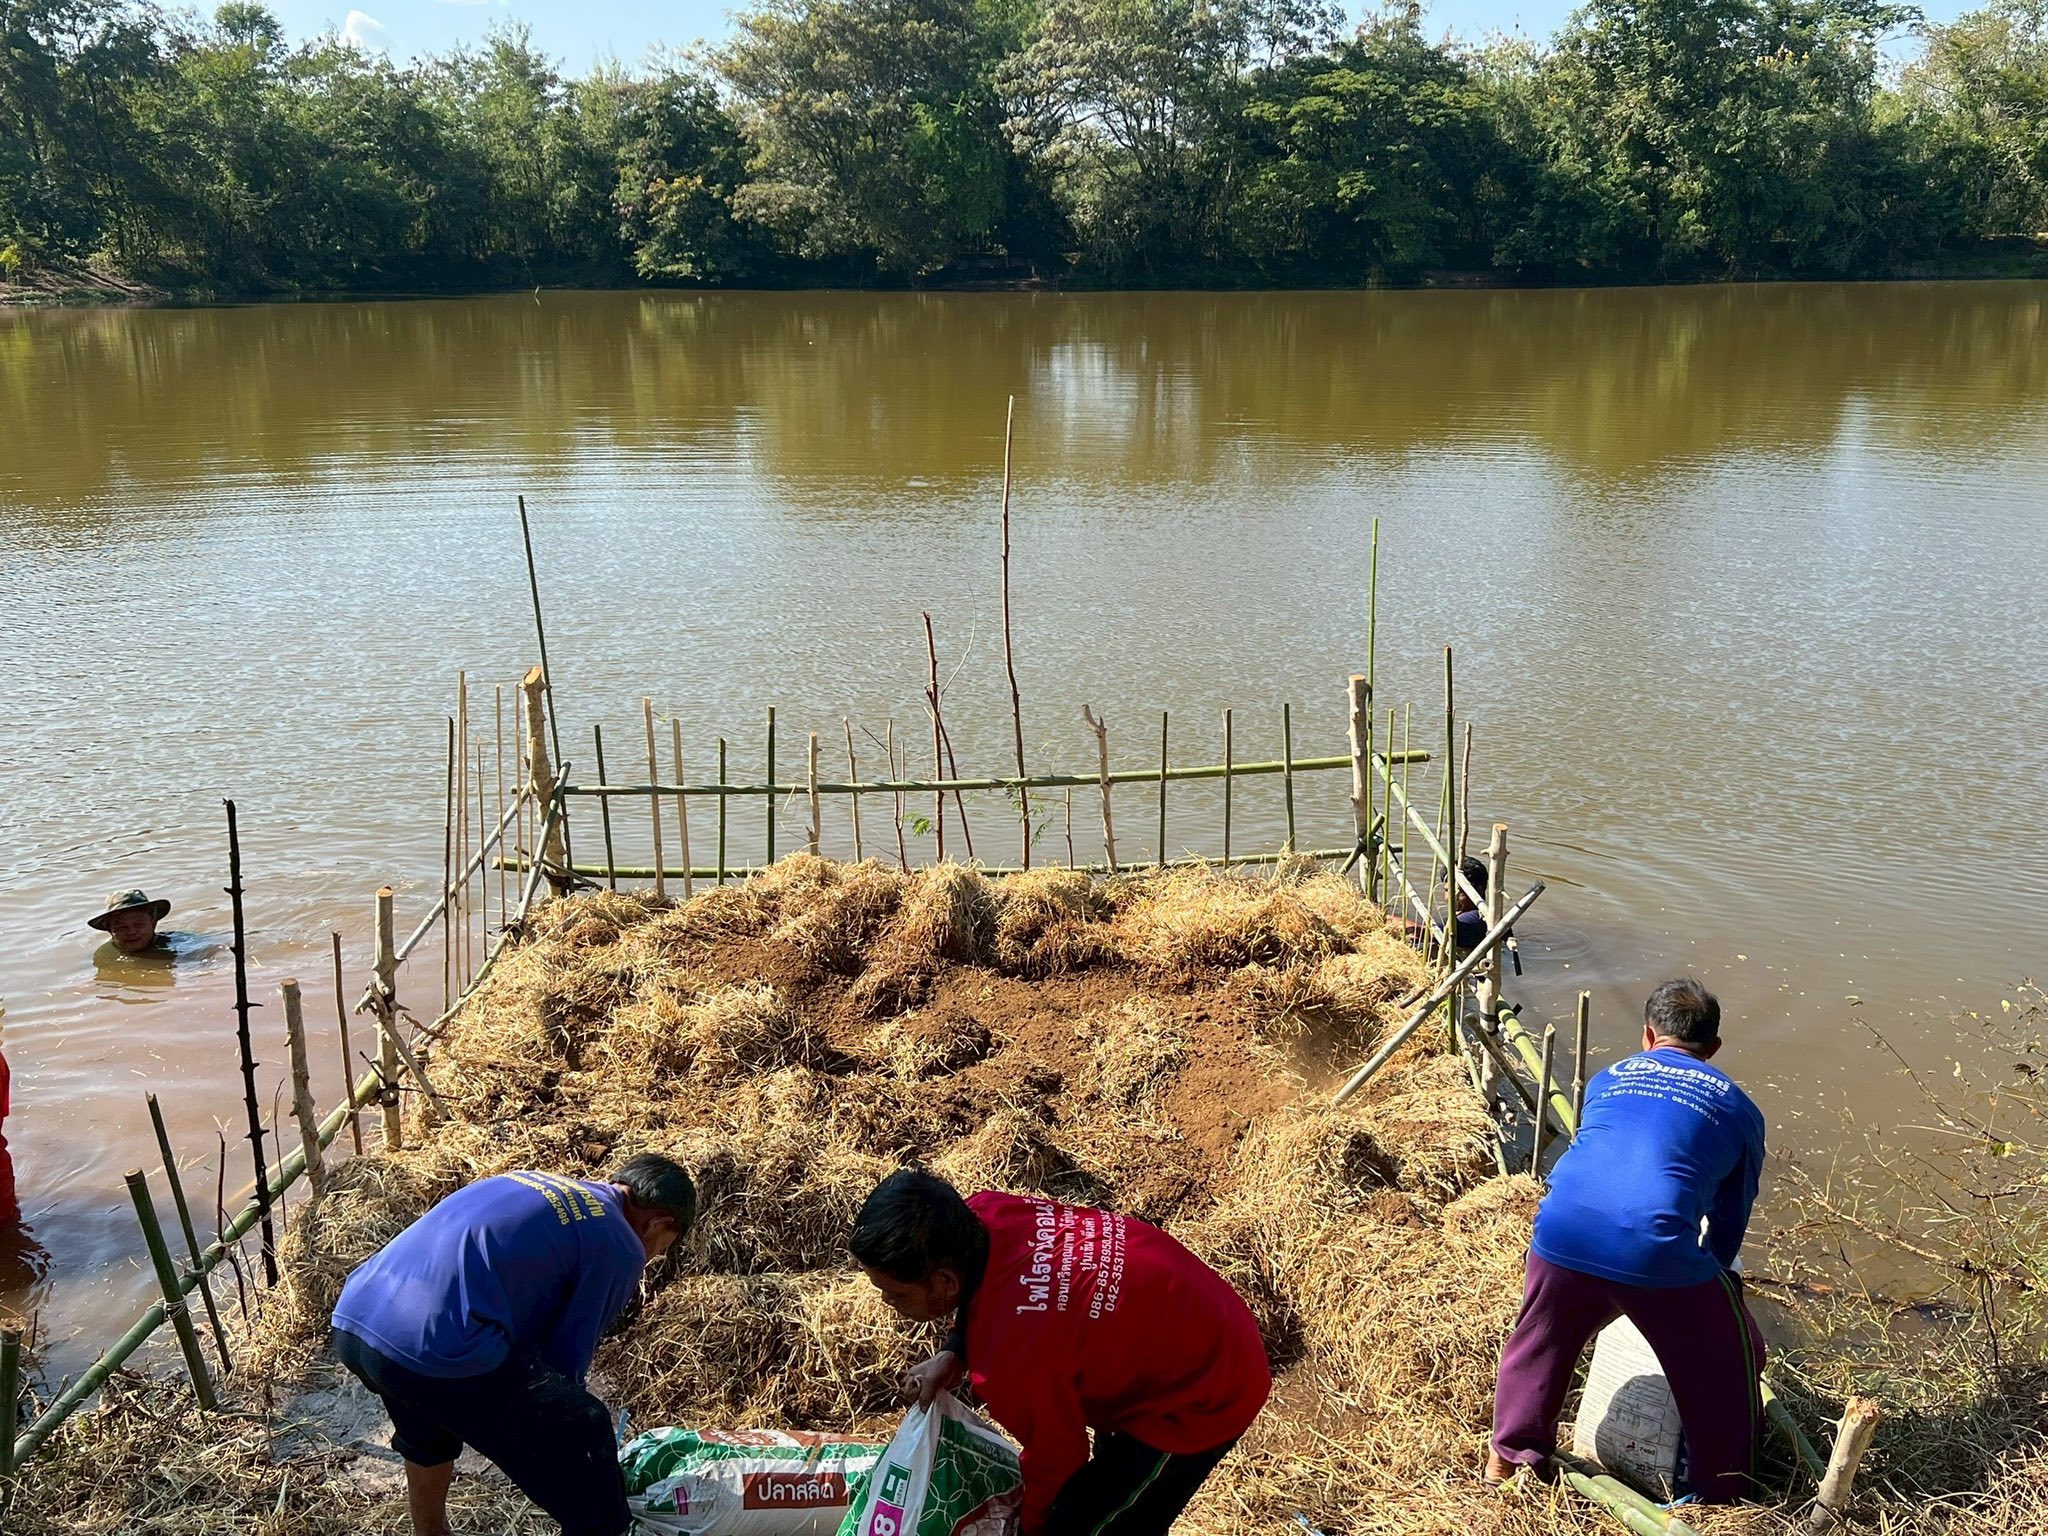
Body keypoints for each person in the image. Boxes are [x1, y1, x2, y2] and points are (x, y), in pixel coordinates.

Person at [851, 1170, 1270, 1536]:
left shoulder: (1010, 1360)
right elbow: (993, 1291)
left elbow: (1060, 1458)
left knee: (1101, 1521)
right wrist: (955, 1351)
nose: (887, 1301)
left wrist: (1033, 1528)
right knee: (1114, 1502)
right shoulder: (984, 1214)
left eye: (895, 1292)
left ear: (944, 1283)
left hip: (1209, 1385)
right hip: (1177, 1322)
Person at [1488, 978, 1768, 1503]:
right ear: (1714, 1049)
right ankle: (1724, 1491)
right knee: (1727, 1360)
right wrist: (1711, 1283)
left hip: (1559, 1228)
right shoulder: (1740, 1109)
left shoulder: (1606, 1078)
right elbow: (1730, 1216)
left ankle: (1508, 1457)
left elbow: (1601, 1159)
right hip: (1654, 1245)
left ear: (1647, 1035)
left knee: (1541, 1339)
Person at [331, 1155, 696, 1536]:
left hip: (359, 1321)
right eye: (662, 1247)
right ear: (658, 1223)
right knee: (584, 1428)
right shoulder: (620, 1242)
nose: (653, 1256)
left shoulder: (534, 1181)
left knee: (429, 1428)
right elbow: (565, 1361)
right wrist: (566, 1435)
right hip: (435, 1349)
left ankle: (431, 1532)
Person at [87, 889, 172, 955]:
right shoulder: (104, 955)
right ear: (110, 930)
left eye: (139, 925)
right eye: (122, 927)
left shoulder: (178, 944)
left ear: (153, 923)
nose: (131, 932)